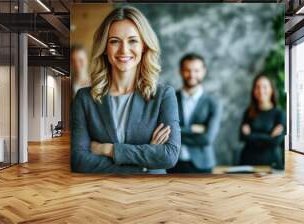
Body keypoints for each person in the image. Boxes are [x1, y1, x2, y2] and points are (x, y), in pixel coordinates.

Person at [70, 6, 181, 174]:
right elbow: (79, 161)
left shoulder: (163, 95)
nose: (124, 50)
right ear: (105, 48)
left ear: (143, 45)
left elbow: (169, 156)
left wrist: (108, 149)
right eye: (114, 41)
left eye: (133, 40)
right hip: (102, 192)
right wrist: (145, 161)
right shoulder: (84, 98)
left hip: (152, 192)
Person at [167, 53, 222, 174]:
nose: (192, 75)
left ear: (204, 71)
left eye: (196, 70)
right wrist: (192, 129)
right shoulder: (169, 98)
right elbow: (164, 131)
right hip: (171, 164)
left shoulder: (213, 103)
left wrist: (176, 134)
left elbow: (207, 138)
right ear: (180, 71)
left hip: (202, 165)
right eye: (187, 70)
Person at [239, 74, 285, 168]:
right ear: (254, 91)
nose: (260, 91)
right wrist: (269, 137)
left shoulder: (279, 114)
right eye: (257, 87)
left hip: (271, 164)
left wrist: (251, 136)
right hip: (247, 163)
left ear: (271, 89)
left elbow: (276, 141)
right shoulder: (249, 112)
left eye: (265, 87)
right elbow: (241, 137)